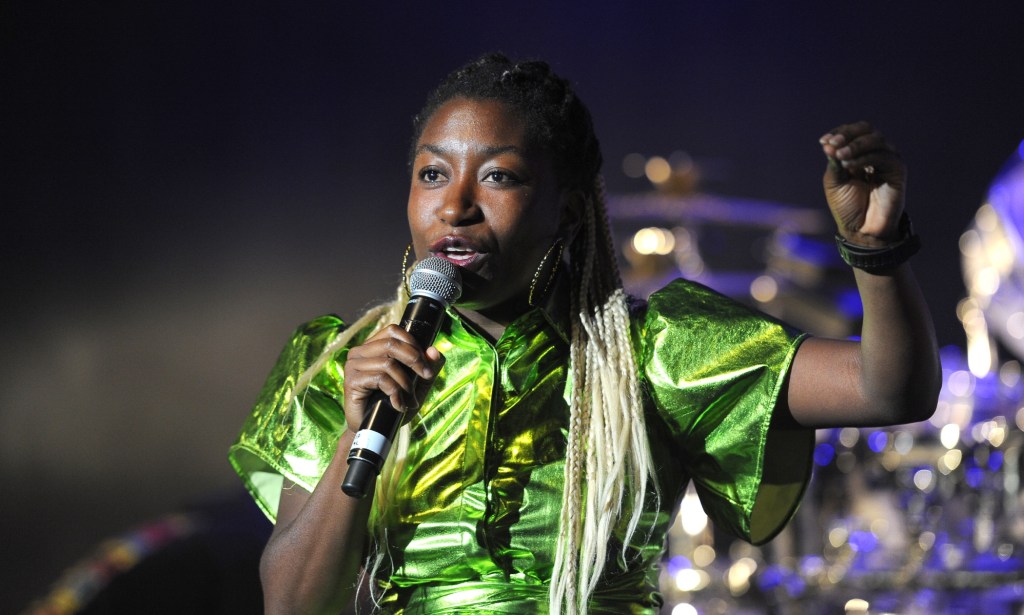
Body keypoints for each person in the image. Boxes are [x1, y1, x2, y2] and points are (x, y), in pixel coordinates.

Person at [228, 53, 941, 614]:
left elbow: (890, 387)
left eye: (499, 176)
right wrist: (360, 434)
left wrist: (875, 251)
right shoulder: (343, 364)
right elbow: (291, 604)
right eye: (432, 172)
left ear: (567, 212)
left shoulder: (653, 350)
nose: (456, 206)